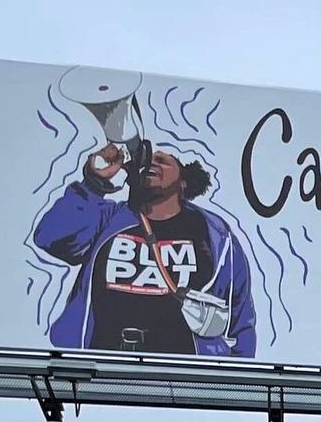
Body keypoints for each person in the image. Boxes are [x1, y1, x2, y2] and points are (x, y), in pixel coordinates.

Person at [33, 143, 255, 356]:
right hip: (102, 374)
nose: (151, 164)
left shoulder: (213, 232)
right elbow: (51, 237)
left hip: (182, 380)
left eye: (162, 161)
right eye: (146, 161)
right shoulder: (107, 218)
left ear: (184, 181)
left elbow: (238, 311)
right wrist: (93, 183)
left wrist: (238, 381)